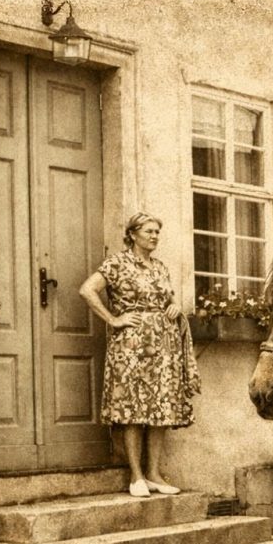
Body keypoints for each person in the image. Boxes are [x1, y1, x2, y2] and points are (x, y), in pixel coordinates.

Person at [79, 212, 201, 497]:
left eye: (157, 231)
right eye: (149, 231)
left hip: (163, 347)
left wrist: (174, 307)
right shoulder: (117, 264)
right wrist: (113, 319)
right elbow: (87, 290)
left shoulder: (160, 267)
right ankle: (136, 476)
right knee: (133, 409)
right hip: (131, 347)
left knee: (160, 409)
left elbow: (169, 299)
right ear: (132, 234)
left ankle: (154, 473)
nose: (155, 236)